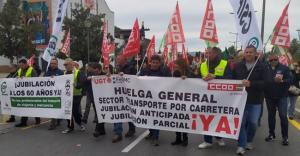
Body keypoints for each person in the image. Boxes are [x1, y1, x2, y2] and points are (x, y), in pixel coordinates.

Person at [233, 46, 266, 155]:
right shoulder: (238, 66)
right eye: (246, 52)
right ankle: (241, 145)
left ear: (255, 53)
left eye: (250, 52)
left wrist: (251, 84)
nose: (248, 54)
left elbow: (266, 83)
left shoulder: (262, 66)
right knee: (241, 123)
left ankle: (249, 140)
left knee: (253, 123)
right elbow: (231, 80)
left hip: (255, 100)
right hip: (240, 100)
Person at [198, 47, 232, 149]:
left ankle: (219, 137)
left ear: (216, 54)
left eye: (209, 53)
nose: (207, 54)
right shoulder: (203, 64)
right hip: (206, 97)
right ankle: (207, 140)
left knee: (219, 117)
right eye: (206, 52)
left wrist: (215, 77)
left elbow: (230, 78)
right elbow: (196, 77)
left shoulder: (224, 63)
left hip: (221, 96)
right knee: (206, 118)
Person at [140, 55, 171, 146]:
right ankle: (151, 132)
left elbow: (171, 82)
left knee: (156, 117)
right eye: (153, 62)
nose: (154, 64)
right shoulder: (145, 70)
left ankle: (155, 137)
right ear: (150, 62)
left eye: (156, 63)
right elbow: (137, 80)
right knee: (149, 117)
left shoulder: (164, 71)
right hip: (147, 99)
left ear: (160, 63)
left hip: (159, 100)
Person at [264, 53, 292, 146]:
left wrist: (283, 81)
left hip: (282, 97)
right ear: (269, 61)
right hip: (269, 97)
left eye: (275, 59)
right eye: (271, 60)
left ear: (278, 59)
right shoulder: (266, 68)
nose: (273, 61)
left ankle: (285, 137)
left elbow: (290, 80)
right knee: (271, 116)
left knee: (283, 116)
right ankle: (271, 134)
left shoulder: (284, 68)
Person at [111, 55, 137, 143]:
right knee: (118, 112)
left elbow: (134, 79)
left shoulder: (131, 67)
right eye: (117, 59)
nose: (117, 60)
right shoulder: (117, 68)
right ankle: (118, 133)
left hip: (129, 94)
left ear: (124, 59)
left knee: (129, 112)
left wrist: (125, 75)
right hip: (119, 94)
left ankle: (132, 129)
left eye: (118, 59)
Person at [62, 58, 86, 134]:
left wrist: (77, 85)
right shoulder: (64, 73)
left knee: (75, 111)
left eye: (66, 64)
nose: (65, 66)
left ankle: (79, 123)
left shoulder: (78, 72)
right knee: (68, 111)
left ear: (72, 64)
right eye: (64, 65)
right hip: (67, 96)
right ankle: (70, 127)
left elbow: (82, 82)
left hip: (76, 95)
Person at [15, 58, 41, 127]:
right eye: (20, 66)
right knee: (24, 107)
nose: (21, 67)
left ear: (26, 64)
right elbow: (16, 78)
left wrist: (26, 79)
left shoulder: (32, 70)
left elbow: (35, 80)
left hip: (31, 92)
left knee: (34, 106)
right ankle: (23, 122)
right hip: (23, 92)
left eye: (22, 65)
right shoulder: (20, 70)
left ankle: (37, 119)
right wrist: (17, 78)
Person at [83, 62, 106, 137]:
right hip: (93, 96)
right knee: (98, 112)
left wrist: (109, 76)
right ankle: (102, 130)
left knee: (100, 113)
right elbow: (84, 82)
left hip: (102, 97)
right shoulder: (90, 73)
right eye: (92, 70)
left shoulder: (103, 75)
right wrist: (87, 79)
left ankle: (97, 130)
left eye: (94, 70)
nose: (92, 71)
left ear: (98, 69)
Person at [170, 58, 190, 147]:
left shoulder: (188, 72)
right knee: (177, 120)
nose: (174, 66)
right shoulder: (175, 72)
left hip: (185, 99)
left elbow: (194, 80)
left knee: (184, 120)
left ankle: (185, 139)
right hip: (176, 98)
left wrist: (187, 79)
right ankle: (178, 138)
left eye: (176, 64)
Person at [44, 58, 64, 130]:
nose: (52, 65)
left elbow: (62, 82)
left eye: (54, 63)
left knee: (57, 108)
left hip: (58, 93)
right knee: (53, 109)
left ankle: (57, 121)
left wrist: (55, 79)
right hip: (49, 93)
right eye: (51, 63)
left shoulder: (61, 72)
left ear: (57, 64)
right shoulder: (47, 72)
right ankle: (53, 124)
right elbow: (43, 81)